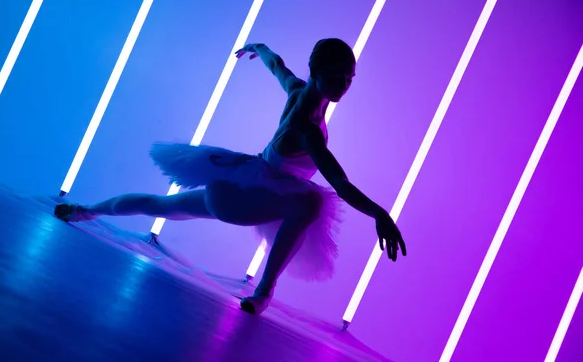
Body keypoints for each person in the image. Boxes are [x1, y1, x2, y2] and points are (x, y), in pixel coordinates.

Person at [54, 38, 406, 315]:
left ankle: (84, 210)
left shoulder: (299, 89)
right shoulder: (308, 128)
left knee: (159, 204)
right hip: (241, 198)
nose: (344, 85)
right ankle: (264, 291)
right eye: (336, 78)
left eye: (349, 79)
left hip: (241, 181)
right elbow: (339, 182)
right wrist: (380, 214)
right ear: (316, 72)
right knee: (312, 201)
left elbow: (276, 66)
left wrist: (258, 47)